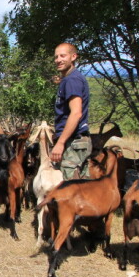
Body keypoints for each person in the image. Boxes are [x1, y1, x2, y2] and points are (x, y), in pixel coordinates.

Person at [51, 42, 91, 180]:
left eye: (63, 56)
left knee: (69, 187)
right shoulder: (69, 79)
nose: (58, 60)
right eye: (56, 57)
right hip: (75, 140)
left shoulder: (72, 80)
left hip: (73, 141)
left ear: (73, 57)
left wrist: (60, 143)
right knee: (80, 186)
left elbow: (76, 113)